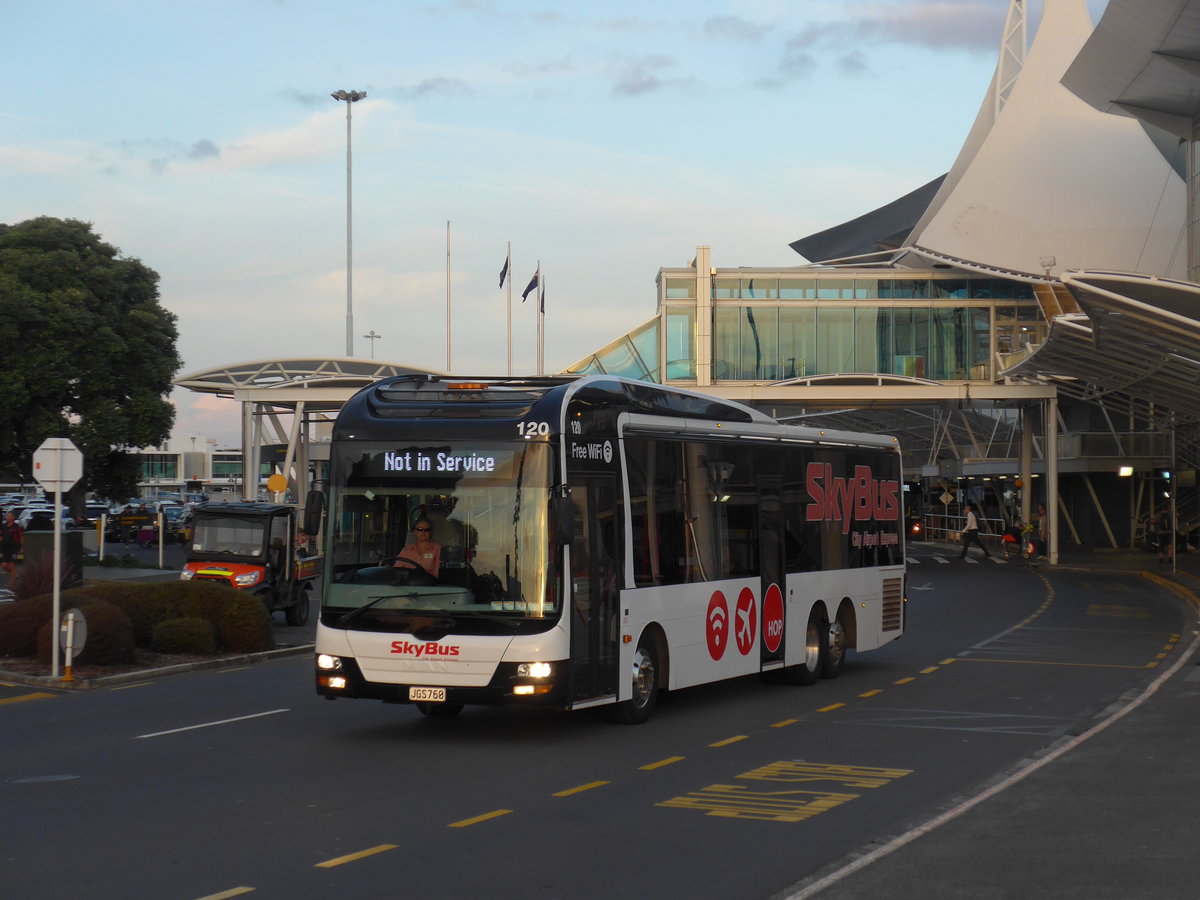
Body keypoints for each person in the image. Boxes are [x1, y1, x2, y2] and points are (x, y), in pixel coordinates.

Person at [0, 510, 23, 584]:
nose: (7, 517)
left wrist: (22, 547)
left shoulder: (16, 527)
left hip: (14, 548)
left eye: (9, 516)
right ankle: (15, 575)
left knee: (12, 564)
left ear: (13, 517)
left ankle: (11, 583)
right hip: (5, 547)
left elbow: (21, 537)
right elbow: (1, 536)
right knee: (4, 566)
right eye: (7, 516)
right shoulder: (4, 526)